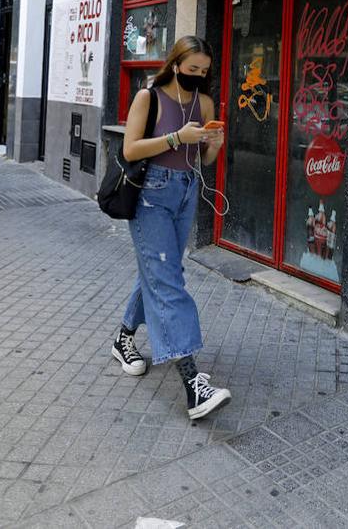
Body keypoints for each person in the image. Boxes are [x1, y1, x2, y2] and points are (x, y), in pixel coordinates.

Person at [112, 35, 229, 420]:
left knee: (160, 271)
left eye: (204, 71)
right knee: (167, 281)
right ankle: (193, 383)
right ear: (175, 64)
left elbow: (205, 159)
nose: (198, 76)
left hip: (186, 190)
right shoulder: (149, 97)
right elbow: (130, 149)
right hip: (151, 194)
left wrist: (214, 143)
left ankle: (123, 339)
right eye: (192, 69)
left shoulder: (205, 102)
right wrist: (178, 136)